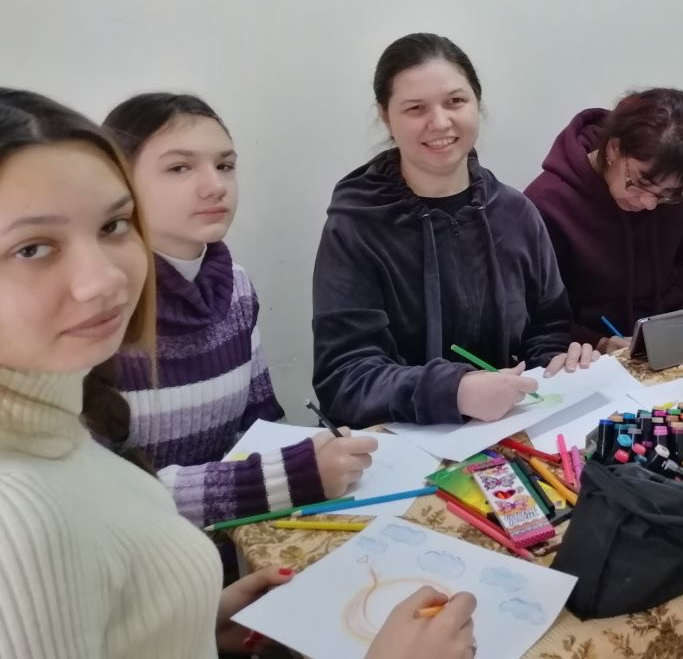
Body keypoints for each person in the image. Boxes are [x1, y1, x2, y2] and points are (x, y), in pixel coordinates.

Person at [0, 87, 477, 658]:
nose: (102, 279)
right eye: (32, 248)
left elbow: (254, 425)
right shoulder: (21, 518)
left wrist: (189, 620)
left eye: (112, 226)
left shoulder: (225, 291)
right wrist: (288, 477)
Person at [101, 92, 376, 531]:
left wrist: (313, 453)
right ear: (118, 182)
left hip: (239, 536)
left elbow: (259, 426)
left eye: (225, 165)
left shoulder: (235, 286)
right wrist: (291, 476)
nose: (215, 185)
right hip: (141, 559)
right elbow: (95, 502)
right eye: (179, 168)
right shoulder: (93, 309)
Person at [312, 33, 596, 429]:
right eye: (415, 108)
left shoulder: (516, 213)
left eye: (455, 102)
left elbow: (547, 327)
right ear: (385, 116)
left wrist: (558, 363)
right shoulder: (356, 226)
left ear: (477, 102)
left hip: (510, 433)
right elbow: (345, 378)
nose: (440, 122)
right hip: (401, 444)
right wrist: (454, 391)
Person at [524, 88, 683, 352]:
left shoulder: (675, 188)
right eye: (641, 182)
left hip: (670, 342)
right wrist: (597, 343)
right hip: (588, 356)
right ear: (613, 149)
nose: (649, 203)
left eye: (667, 193)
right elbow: (538, 315)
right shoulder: (547, 205)